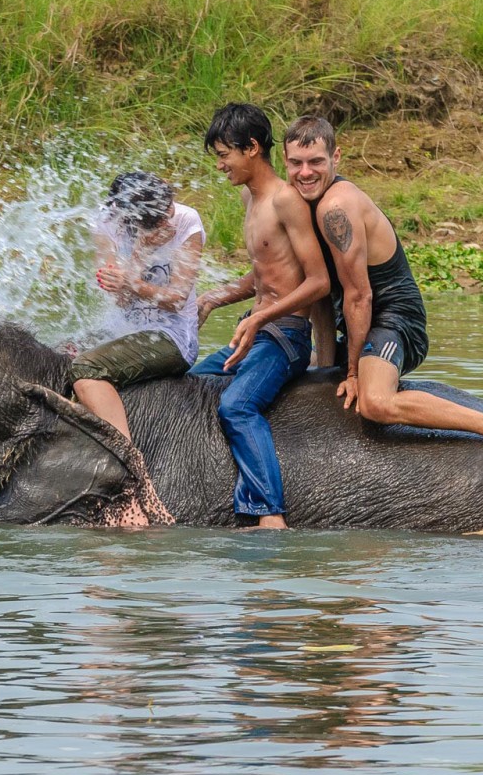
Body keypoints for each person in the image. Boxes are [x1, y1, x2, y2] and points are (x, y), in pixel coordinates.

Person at [281, 115, 483, 454]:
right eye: (296, 163)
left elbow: (359, 295)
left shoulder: (335, 206)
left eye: (316, 162)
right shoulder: (299, 207)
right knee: (302, 362)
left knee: (375, 403)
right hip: (358, 322)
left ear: (336, 158)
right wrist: (328, 369)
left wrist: (355, 374)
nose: (305, 172)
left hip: (394, 320)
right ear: (284, 161)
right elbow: (323, 298)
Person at [192, 103, 330, 529]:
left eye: (223, 155)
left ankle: (270, 513)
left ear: (251, 148)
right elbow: (265, 271)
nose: (220, 166)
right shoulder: (248, 196)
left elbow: (318, 281)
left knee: (237, 406)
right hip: (258, 326)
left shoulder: (286, 201)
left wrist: (259, 318)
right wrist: (216, 298)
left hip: (285, 337)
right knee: (194, 382)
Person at [72, 171, 206, 446]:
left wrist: (131, 281)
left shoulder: (186, 221)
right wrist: (140, 251)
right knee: (62, 353)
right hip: (124, 328)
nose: (170, 216)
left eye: (169, 206)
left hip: (172, 336)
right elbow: (121, 301)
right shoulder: (108, 221)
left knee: (86, 366)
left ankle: (125, 453)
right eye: (162, 215)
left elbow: (176, 299)